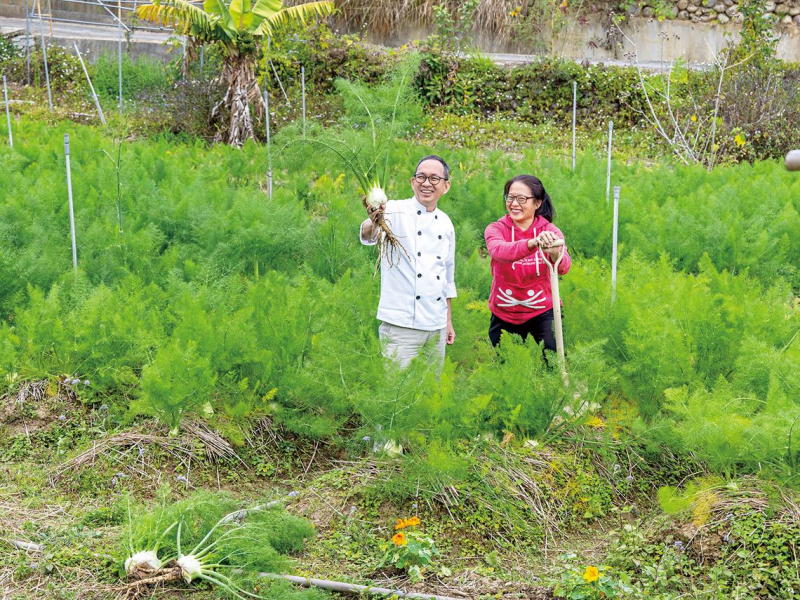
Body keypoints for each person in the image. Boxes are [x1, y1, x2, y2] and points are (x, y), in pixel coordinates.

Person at [359, 155, 456, 371]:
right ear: (413, 182)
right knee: (397, 393)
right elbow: (368, 234)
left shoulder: (446, 223)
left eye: (434, 178)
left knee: (432, 392)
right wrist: (373, 221)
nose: (426, 183)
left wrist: (448, 321)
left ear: (446, 186)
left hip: (437, 324)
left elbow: (447, 278)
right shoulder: (393, 209)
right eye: (421, 177)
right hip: (401, 325)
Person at [484, 174, 571, 355]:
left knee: (552, 364)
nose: (514, 204)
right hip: (504, 313)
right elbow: (499, 251)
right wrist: (532, 243)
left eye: (522, 199)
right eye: (510, 197)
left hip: (543, 312)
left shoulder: (550, 231)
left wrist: (555, 253)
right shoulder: (496, 229)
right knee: (504, 369)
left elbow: (564, 267)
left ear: (537, 203)